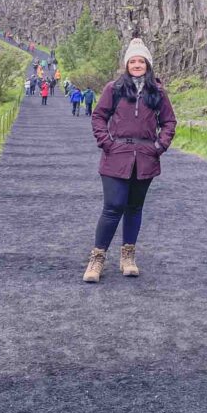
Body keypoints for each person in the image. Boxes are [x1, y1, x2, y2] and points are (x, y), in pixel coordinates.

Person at [83, 37, 177, 283]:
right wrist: (107, 143)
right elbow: (99, 117)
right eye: (132, 61)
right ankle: (97, 259)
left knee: (135, 208)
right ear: (126, 64)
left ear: (148, 64)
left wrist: (159, 146)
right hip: (116, 157)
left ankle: (128, 257)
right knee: (113, 207)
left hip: (146, 159)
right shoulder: (113, 89)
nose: (137, 64)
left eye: (141, 61)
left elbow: (169, 122)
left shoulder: (157, 91)